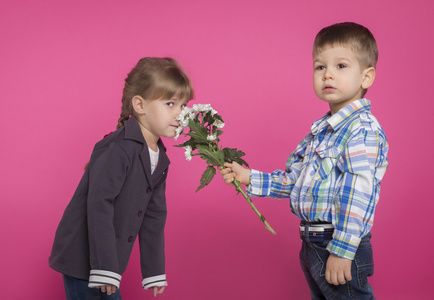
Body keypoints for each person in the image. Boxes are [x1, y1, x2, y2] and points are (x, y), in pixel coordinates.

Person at [219, 22, 388, 299]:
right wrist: (249, 177)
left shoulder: (362, 129)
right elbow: (296, 180)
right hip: (312, 244)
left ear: (366, 77)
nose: (327, 74)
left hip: (336, 243)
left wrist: (342, 251)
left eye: (341, 66)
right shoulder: (321, 131)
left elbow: (359, 192)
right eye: (320, 67)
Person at [49, 57, 194, 299]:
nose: (180, 114)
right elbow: (99, 205)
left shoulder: (160, 158)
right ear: (140, 105)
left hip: (107, 261)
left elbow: (154, 216)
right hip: (83, 259)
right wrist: (105, 268)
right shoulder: (117, 149)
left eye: (183, 105)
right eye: (170, 104)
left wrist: (154, 271)